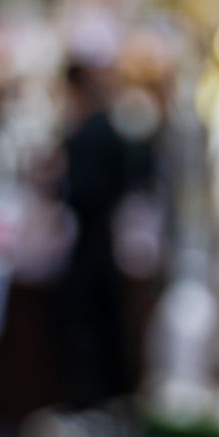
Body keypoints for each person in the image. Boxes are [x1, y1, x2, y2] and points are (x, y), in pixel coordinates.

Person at [55, 61, 150, 415]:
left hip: (91, 241)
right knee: (104, 317)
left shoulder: (88, 132)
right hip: (106, 239)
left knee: (87, 321)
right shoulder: (109, 126)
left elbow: (82, 192)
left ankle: (91, 395)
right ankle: (110, 393)